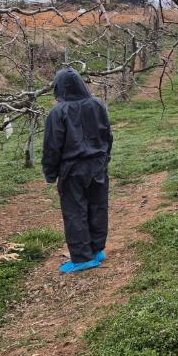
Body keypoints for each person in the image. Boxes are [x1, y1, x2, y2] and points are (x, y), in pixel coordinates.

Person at [42, 67, 113, 274]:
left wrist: (50, 172)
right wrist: (104, 158)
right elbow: (108, 134)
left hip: (72, 169)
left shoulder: (58, 112)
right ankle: (96, 249)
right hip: (98, 165)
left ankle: (82, 257)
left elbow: (52, 146)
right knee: (98, 206)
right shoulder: (97, 104)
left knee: (75, 211)